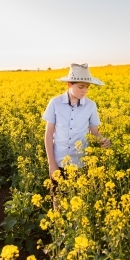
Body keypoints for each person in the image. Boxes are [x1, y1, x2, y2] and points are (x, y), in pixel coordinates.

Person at [42, 63, 111, 205]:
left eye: (87, 87)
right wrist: (51, 164)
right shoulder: (55, 103)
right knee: (58, 199)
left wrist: (103, 140)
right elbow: (49, 134)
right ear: (69, 84)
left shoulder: (91, 106)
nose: (85, 90)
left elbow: (95, 132)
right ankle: (58, 226)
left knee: (78, 201)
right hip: (59, 160)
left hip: (80, 162)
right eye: (81, 87)